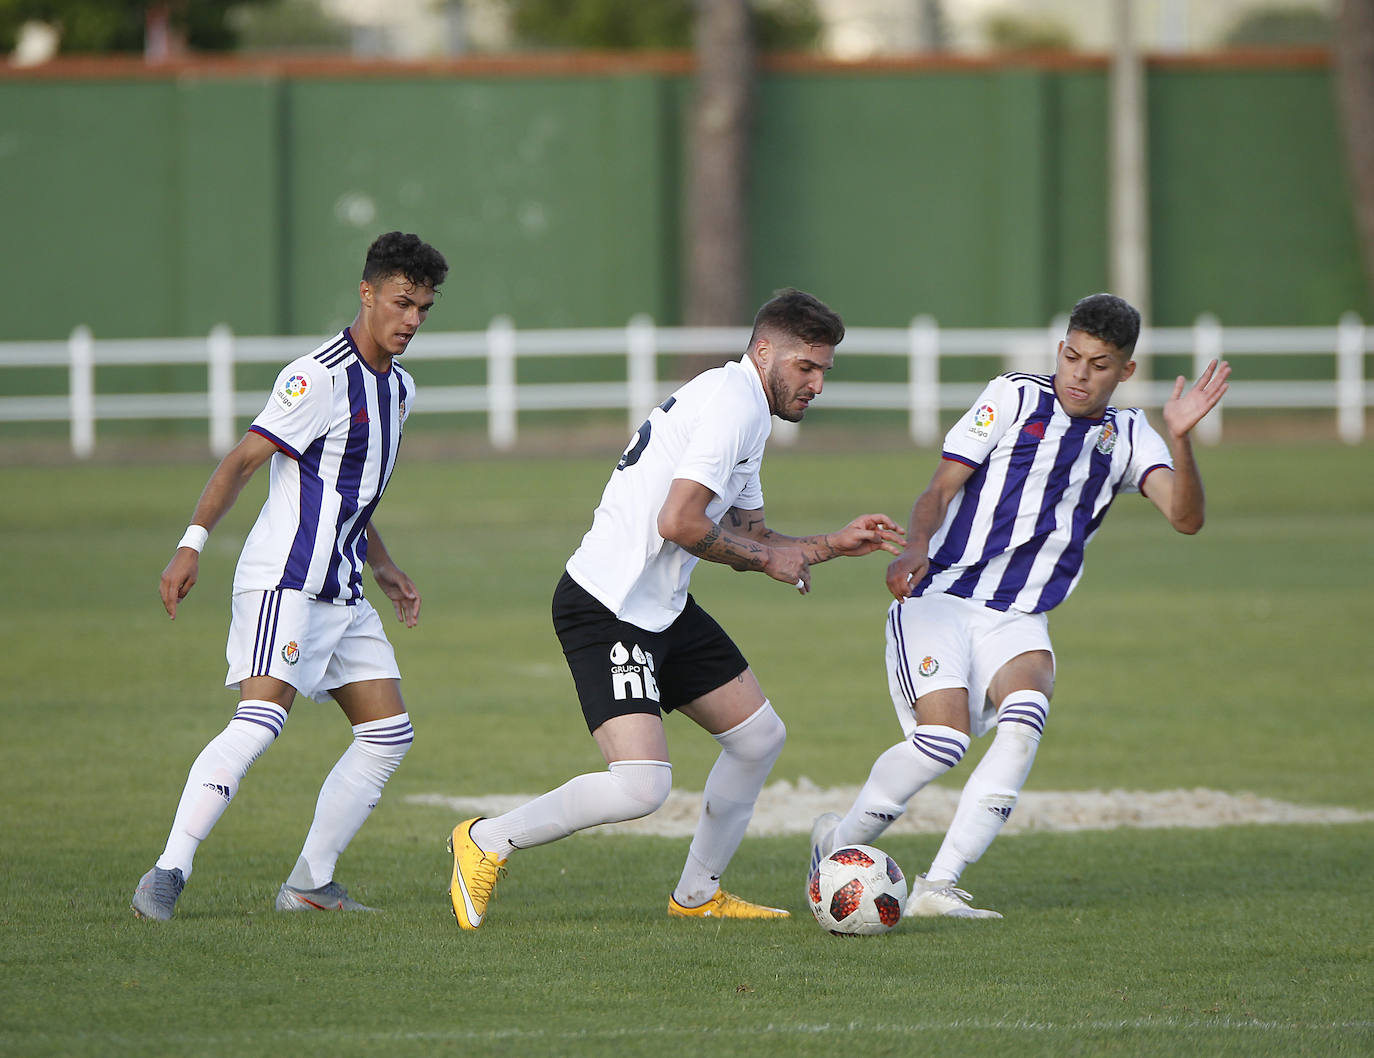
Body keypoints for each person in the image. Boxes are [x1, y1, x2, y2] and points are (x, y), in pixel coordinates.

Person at [446, 289, 905, 929]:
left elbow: (754, 533)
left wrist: (830, 544)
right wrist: (771, 560)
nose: (818, 385)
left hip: (661, 606)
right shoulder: (730, 407)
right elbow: (680, 522)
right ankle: (488, 838)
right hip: (606, 607)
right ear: (765, 350)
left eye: (825, 370)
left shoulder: (744, 406)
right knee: (642, 786)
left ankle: (697, 895)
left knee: (758, 737)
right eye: (807, 367)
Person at [809, 292, 1231, 919]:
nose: (1080, 374)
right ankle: (837, 847)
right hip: (942, 598)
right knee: (943, 743)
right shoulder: (1012, 397)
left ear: (1126, 372)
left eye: (1099, 363)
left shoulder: (1131, 435)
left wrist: (1183, 439)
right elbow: (939, 487)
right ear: (1061, 348)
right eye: (1072, 355)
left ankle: (940, 886)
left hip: (1018, 616)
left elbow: (1186, 518)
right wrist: (915, 548)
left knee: (1027, 710)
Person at [130, 231, 449, 920]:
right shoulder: (318, 376)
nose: (413, 320)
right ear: (366, 294)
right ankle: (166, 872)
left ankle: (309, 883)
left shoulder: (400, 388)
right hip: (287, 582)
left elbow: (350, 492)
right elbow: (242, 461)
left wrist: (385, 567)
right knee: (260, 720)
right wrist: (191, 546)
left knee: (388, 734)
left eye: (423, 308)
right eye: (402, 303)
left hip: (345, 589)